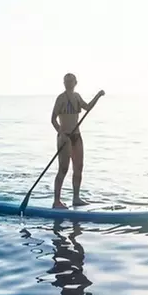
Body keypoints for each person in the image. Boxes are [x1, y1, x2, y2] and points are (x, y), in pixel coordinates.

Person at [50, 73, 104, 208]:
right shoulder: (61, 98)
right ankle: (56, 201)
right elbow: (53, 119)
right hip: (65, 137)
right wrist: (61, 133)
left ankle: (76, 198)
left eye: (71, 81)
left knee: (78, 167)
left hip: (77, 136)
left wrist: (98, 95)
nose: (68, 83)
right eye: (66, 81)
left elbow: (88, 107)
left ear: (75, 82)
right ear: (64, 83)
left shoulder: (77, 96)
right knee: (63, 169)